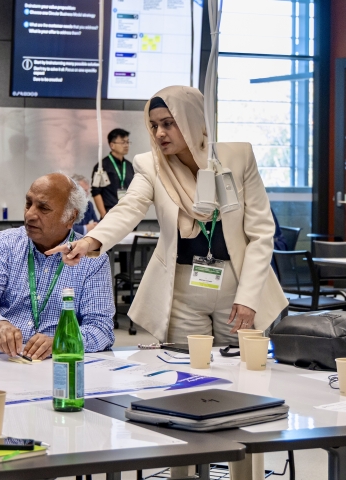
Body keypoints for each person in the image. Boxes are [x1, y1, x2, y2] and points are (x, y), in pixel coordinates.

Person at [51, 86, 287, 345]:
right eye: (153, 126)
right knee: (185, 372)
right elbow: (129, 208)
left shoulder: (238, 157)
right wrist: (89, 242)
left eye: (168, 123)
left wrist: (248, 298)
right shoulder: (151, 165)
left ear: (192, 119)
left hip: (238, 284)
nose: (159, 133)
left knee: (240, 368)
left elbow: (262, 232)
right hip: (183, 290)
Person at [0, 173, 115, 359]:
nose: (29, 214)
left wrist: (61, 342)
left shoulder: (92, 260)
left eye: (43, 208)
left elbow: (101, 329)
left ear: (70, 217)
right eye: (28, 203)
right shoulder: (4, 243)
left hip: (53, 367)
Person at [91, 128, 133, 218]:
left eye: (127, 142)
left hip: (129, 214)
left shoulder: (130, 166)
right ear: (112, 145)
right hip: (111, 214)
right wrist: (104, 214)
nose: (126, 145)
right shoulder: (101, 167)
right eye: (122, 142)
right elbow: (96, 192)